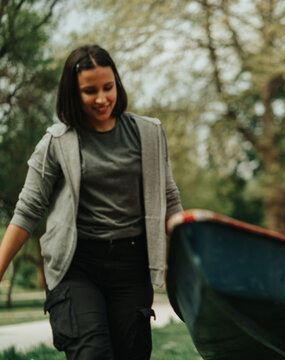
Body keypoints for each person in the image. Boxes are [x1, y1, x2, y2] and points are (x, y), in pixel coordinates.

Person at [0, 44, 185, 359]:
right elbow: (27, 211)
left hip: (131, 264)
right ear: (73, 94)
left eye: (108, 87)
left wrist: (189, 246)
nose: (102, 98)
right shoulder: (57, 142)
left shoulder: (149, 134)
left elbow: (169, 198)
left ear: (117, 84)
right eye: (90, 91)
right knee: (92, 353)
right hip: (76, 265)